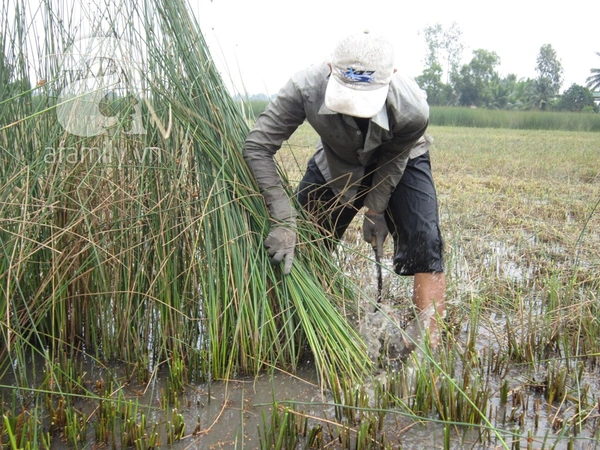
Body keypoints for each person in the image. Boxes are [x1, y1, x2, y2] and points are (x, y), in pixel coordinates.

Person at [243, 31, 446, 347]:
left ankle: (428, 348)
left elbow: (394, 160)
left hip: (401, 158)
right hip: (337, 161)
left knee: (425, 239)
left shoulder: (412, 109)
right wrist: (283, 218)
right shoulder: (305, 88)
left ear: (391, 76)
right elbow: (257, 146)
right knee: (307, 244)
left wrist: (376, 209)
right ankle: (300, 331)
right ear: (329, 68)